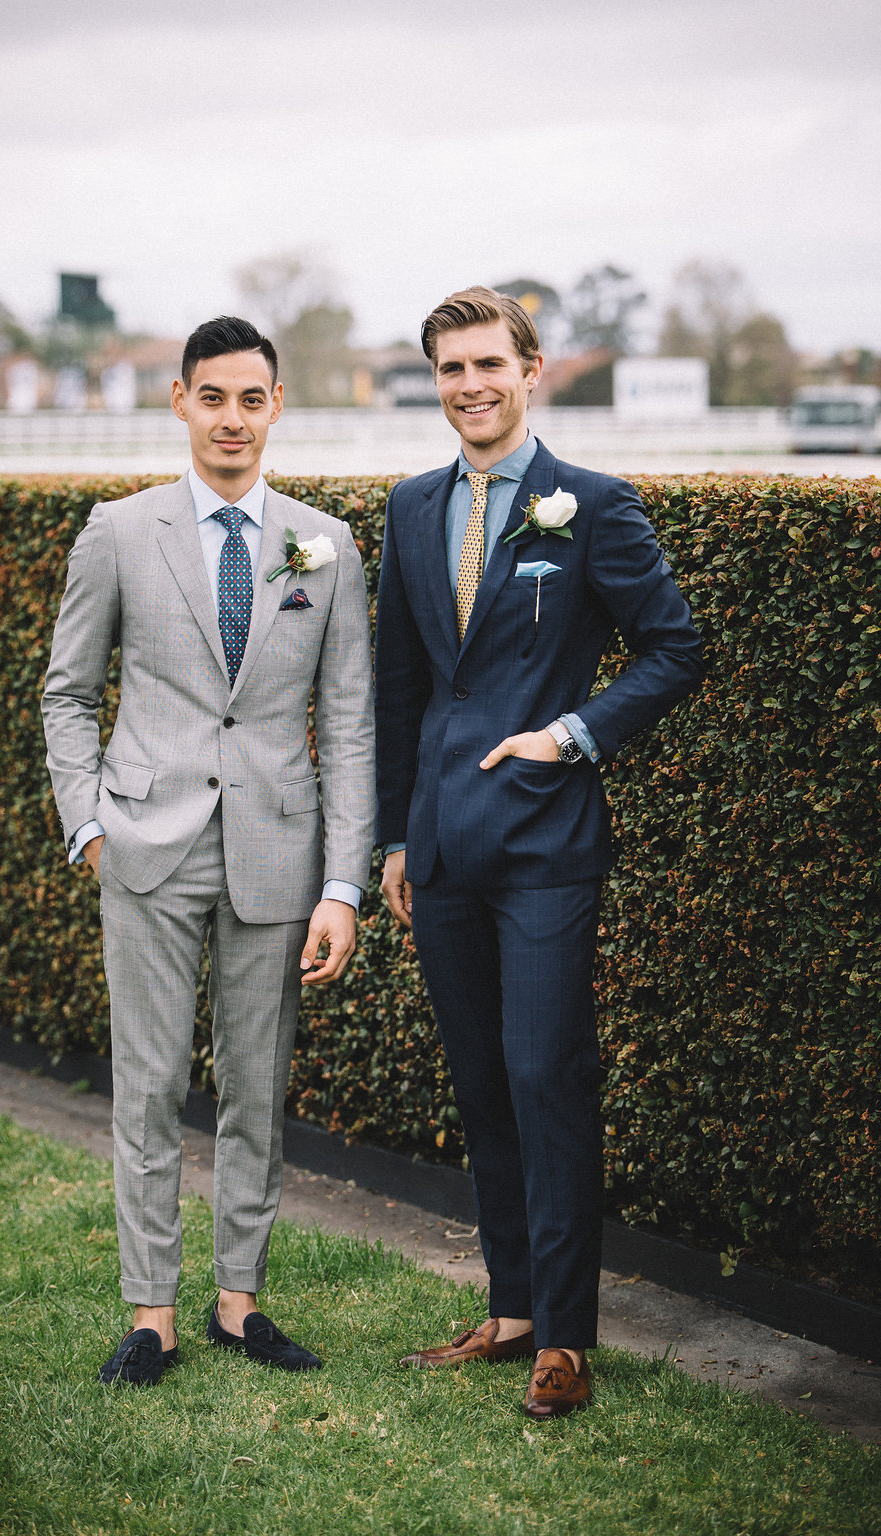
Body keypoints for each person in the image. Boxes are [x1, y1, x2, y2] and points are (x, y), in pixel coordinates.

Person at [374, 287, 702, 1419]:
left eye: (486, 365)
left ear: (531, 369)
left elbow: (674, 648)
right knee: (478, 1084)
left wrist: (569, 734)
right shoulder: (411, 509)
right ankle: (510, 1311)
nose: (468, 385)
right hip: (444, 854)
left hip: (549, 846)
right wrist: (394, 839)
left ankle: (565, 1337)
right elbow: (400, 688)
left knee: (542, 1079)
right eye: (449, 369)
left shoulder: (593, 506)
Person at [41, 316, 375, 1385]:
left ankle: (239, 1304)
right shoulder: (118, 532)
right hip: (144, 844)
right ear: (180, 401)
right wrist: (89, 822)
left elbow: (352, 721)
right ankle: (152, 1315)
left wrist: (342, 883)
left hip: (278, 854)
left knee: (255, 1088)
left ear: (276, 407)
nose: (232, 417)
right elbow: (67, 692)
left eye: (252, 398)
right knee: (145, 1086)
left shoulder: (324, 544)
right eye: (213, 396)